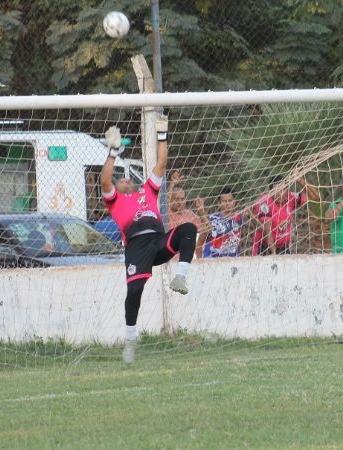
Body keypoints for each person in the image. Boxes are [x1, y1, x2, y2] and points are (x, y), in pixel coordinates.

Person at [100, 116, 198, 364]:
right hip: (136, 247)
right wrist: (113, 152)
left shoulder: (146, 191)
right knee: (134, 291)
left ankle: (180, 277)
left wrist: (162, 134)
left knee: (188, 228)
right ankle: (130, 341)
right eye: (119, 179)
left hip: (158, 241)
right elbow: (104, 179)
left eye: (125, 177)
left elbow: (162, 163)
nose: (123, 179)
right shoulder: (114, 201)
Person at [252, 174, 319, 255]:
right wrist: (273, 253)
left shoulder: (290, 197)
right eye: (278, 190)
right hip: (265, 248)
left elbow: (315, 197)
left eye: (284, 189)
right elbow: (267, 231)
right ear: (271, 192)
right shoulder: (264, 203)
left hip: (284, 248)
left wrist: (301, 181)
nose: (281, 193)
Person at [166, 170, 205, 257]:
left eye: (182, 199)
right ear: (171, 200)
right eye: (176, 199)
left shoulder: (190, 214)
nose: (180, 202)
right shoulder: (166, 213)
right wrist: (172, 184)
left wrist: (202, 212)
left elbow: (205, 230)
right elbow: (166, 201)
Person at [199, 186, 244, 258]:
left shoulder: (239, 218)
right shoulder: (212, 219)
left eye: (230, 200)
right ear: (219, 203)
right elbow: (200, 243)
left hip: (231, 259)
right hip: (212, 260)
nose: (227, 203)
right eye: (224, 201)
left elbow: (239, 240)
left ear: (234, 202)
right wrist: (200, 262)